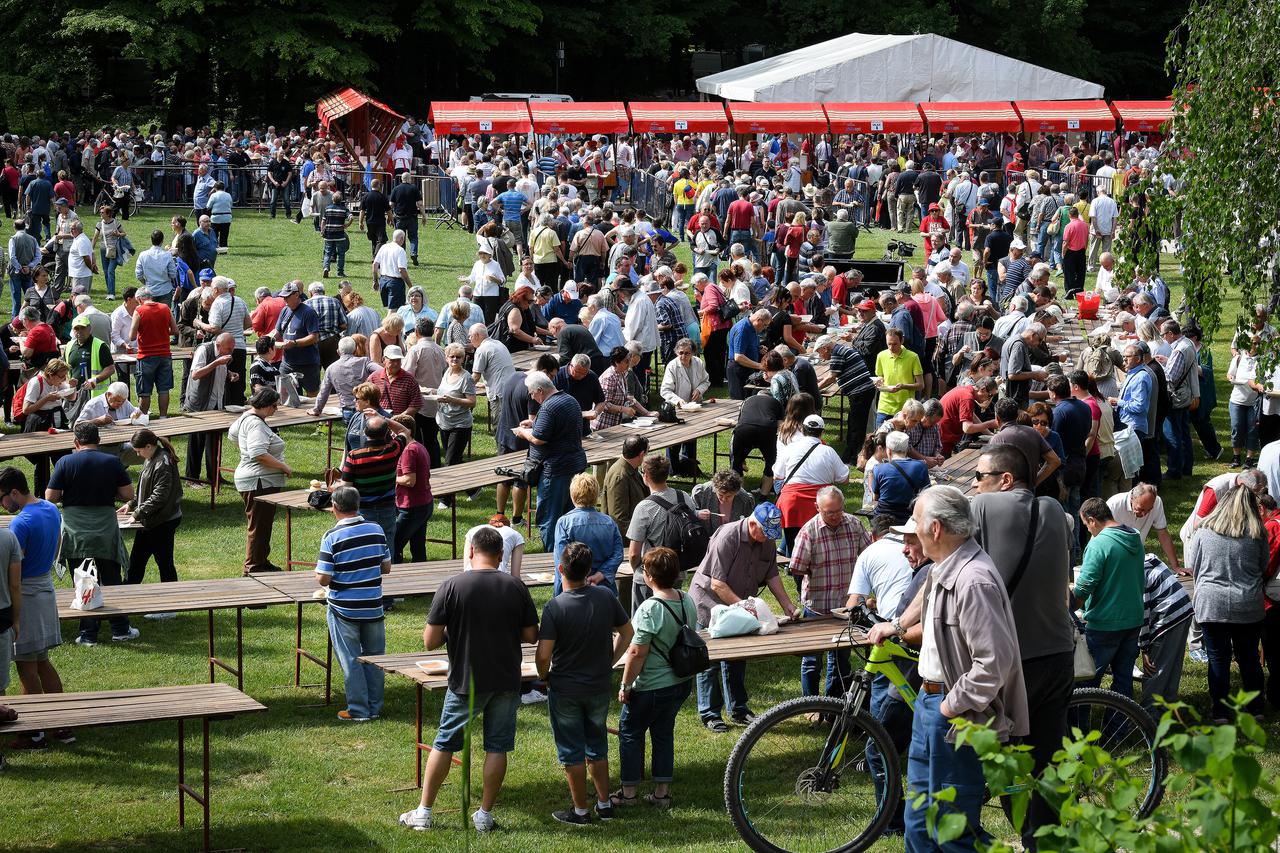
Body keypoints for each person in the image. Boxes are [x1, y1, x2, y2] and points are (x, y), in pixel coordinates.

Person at [865, 486, 1027, 852]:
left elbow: (993, 662)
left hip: (956, 714)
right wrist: (898, 625)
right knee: (919, 823)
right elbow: (928, 592)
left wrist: (949, 706)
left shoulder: (974, 581)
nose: (913, 533)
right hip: (929, 703)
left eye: (917, 524)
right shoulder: (944, 566)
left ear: (935, 529)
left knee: (951, 829)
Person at [399, 526, 538, 833]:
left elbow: (429, 641)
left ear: (472, 551)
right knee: (497, 747)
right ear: (501, 555)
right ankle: (485, 815)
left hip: (466, 680)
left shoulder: (452, 586)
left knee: (444, 743)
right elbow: (531, 635)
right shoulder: (516, 587)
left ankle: (424, 812)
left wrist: (455, 629)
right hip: (505, 678)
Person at [970, 444, 1075, 844]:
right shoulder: (1055, 512)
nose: (975, 485)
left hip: (1015, 656)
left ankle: (971, 832)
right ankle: (1046, 842)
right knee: (1047, 760)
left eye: (980, 478)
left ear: (1005, 480)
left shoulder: (983, 509)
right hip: (1058, 652)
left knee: (994, 758)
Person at [536, 540, 633, 826]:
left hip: (565, 687)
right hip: (599, 686)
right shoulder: (605, 597)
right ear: (589, 570)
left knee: (571, 751)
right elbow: (627, 633)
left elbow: (543, 654)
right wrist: (611, 661)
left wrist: (544, 675)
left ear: (560, 569)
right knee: (597, 745)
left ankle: (580, 811)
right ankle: (604, 805)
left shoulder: (555, 607)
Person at [690, 502, 797, 732]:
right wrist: (746, 608)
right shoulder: (727, 537)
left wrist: (787, 604)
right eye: (764, 534)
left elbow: (772, 575)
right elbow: (717, 584)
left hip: (739, 605)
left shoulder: (765, 539)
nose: (767, 539)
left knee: (737, 657)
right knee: (710, 661)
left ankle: (739, 709)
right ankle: (710, 713)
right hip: (709, 604)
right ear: (751, 523)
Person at [611, 547, 697, 809]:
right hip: (680, 682)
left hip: (651, 686)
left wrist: (625, 685)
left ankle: (628, 793)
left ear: (648, 576)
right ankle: (661, 793)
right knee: (663, 734)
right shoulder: (686, 599)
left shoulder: (649, 608)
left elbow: (636, 652)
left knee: (629, 733)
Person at [0, 466, 73, 750]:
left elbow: (14, 574)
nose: (3, 505)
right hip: (46, 589)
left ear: (14, 493)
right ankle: (63, 725)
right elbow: (56, 545)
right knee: (42, 663)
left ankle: (34, 733)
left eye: (3, 499)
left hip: (27, 597)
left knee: (26, 667)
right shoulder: (50, 508)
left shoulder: (19, 524)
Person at [46, 422, 136, 646]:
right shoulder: (113, 461)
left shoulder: (65, 462)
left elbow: (50, 497)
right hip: (105, 528)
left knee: (82, 580)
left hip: (76, 530)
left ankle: (88, 634)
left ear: (76, 442)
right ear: (99, 441)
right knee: (112, 579)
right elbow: (128, 494)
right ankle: (120, 628)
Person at [1189, 485, 1268, 721]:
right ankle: (1256, 709)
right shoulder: (1258, 533)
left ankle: (1220, 711)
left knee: (1217, 658)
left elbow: (1195, 565)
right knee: (1249, 658)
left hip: (1212, 604)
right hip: (1248, 603)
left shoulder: (1203, 532)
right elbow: (1263, 566)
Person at [317, 485, 392, 722]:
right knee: (374, 657)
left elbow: (323, 577)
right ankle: (375, 706)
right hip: (372, 604)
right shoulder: (376, 529)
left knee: (351, 659)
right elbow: (386, 567)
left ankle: (358, 710)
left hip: (344, 607)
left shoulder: (331, 537)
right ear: (357, 505)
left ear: (335, 508)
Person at [790, 486, 868, 696]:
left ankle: (834, 705)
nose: (834, 516)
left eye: (838, 510)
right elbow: (796, 567)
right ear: (817, 508)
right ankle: (810, 703)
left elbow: (868, 557)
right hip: (817, 605)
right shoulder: (809, 531)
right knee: (812, 660)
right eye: (828, 512)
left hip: (846, 607)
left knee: (841, 660)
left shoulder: (854, 524)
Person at [1075, 498, 1146, 699]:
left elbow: (1085, 585)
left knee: (1087, 684)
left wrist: (1071, 608)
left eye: (1086, 525)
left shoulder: (1099, 544)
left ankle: (1081, 729)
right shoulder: (1135, 537)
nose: (1088, 531)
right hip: (1133, 619)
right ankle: (1119, 727)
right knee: (1123, 680)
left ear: (1091, 520)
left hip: (1104, 623)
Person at [514, 372, 588, 551]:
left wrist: (523, 432)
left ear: (540, 390)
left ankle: (552, 557)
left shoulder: (548, 407)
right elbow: (559, 427)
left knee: (549, 517)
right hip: (575, 465)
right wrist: (536, 423)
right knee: (570, 514)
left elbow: (539, 439)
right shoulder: (570, 400)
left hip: (555, 470)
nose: (532, 397)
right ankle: (572, 554)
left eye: (532, 393)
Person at [626, 455, 708, 609]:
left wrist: (638, 570)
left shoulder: (644, 508)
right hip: (676, 571)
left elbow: (633, 553)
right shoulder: (683, 497)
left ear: (646, 476)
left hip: (649, 576)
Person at [230, 388, 290, 575]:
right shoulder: (256, 424)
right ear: (265, 405)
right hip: (259, 481)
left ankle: (261, 561)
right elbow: (257, 453)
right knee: (259, 526)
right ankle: (253, 568)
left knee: (263, 526)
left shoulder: (245, 417)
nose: (276, 409)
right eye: (274, 406)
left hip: (256, 479)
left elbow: (232, 434)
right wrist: (283, 467)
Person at [773, 415, 850, 550]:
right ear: (822, 432)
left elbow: (778, 475)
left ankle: (793, 565)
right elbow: (844, 478)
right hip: (819, 503)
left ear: (802, 429)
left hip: (792, 503)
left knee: (794, 547)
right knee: (820, 546)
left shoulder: (790, 448)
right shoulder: (829, 451)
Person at [121, 428, 183, 596]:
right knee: (140, 561)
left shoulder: (162, 463)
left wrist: (137, 513)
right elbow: (146, 488)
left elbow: (159, 496)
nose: (138, 455)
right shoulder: (153, 457)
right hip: (154, 519)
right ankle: (126, 592)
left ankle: (169, 605)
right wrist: (132, 504)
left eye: (139, 451)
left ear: (149, 446)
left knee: (162, 562)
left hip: (162, 521)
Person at [339, 414, 412, 551]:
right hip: (388, 510)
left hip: (363, 511)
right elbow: (405, 431)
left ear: (365, 432)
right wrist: (383, 418)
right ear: (386, 433)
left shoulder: (354, 456)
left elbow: (346, 488)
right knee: (387, 548)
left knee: (365, 549)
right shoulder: (393, 450)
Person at [1139, 553, 1194, 714]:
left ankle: (1149, 721)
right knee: (1171, 669)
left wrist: (1144, 649)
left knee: (1155, 671)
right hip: (1183, 610)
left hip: (1168, 617)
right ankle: (1167, 712)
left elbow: (1143, 611)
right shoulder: (1147, 558)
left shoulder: (1136, 572)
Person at [553, 473, 624, 596]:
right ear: (596, 495)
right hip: (603, 588)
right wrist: (600, 574)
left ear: (572, 495)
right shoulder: (609, 522)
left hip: (573, 590)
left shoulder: (564, 523)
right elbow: (618, 554)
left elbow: (562, 558)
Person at [182, 332, 235, 484]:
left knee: (214, 442)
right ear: (218, 345)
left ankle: (215, 476)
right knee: (196, 443)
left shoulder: (224, 353)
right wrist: (217, 363)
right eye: (229, 349)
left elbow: (219, 371)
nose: (231, 352)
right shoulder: (204, 350)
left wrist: (230, 374)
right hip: (200, 404)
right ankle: (192, 479)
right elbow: (196, 374)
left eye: (232, 349)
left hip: (216, 402)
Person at [1107, 484, 1184, 574]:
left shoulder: (1157, 502)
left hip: (1136, 558)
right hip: (1112, 558)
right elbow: (1098, 536)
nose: (1144, 514)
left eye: (1149, 510)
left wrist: (1176, 566)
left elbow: (1163, 533)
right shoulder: (1113, 504)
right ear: (1132, 498)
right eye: (1140, 509)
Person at [659, 338, 710, 473]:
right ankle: (673, 469)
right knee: (675, 439)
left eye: (687, 353)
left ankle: (689, 466)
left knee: (692, 437)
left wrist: (699, 390)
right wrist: (678, 401)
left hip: (694, 407)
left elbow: (706, 381)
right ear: (676, 352)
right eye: (681, 352)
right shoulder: (672, 366)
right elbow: (665, 390)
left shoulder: (698, 363)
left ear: (693, 352)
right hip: (677, 409)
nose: (683, 356)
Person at [128, 287, 179, 417]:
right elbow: (175, 330)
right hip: (165, 355)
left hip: (146, 356)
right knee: (163, 389)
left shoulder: (139, 311)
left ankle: (144, 417)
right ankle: (163, 416)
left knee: (145, 391)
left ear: (139, 299)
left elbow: (132, 336)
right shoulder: (165, 308)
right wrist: (161, 331)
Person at [869, 431, 929, 524]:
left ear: (888, 450)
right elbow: (926, 494)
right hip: (910, 519)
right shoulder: (921, 466)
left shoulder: (879, 469)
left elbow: (875, 497)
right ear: (906, 450)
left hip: (884, 519)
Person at [873, 327, 923, 426]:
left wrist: (903, 386)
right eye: (889, 344)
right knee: (879, 437)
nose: (891, 348)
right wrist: (878, 382)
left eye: (895, 344)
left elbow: (920, 385)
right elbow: (881, 378)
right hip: (884, 406)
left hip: (905, 408)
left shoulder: (913, 357)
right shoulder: (881, 356)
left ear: (902, 340)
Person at [602, 435, 649, 541]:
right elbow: (619, 520)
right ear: (641, 454)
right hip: (626, 542)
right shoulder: (620, 477)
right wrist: (641, 538)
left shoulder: (630, 469)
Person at [373, 229, 413, 312]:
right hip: (395, 283)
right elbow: (401, 270)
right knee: (393, 311)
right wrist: (410, 285)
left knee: (393, 309)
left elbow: (375, 265)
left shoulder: (384, 247)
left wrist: (375, 281)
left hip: (383, 280)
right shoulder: (400, 250)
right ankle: (385, 325)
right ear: (402, 239)